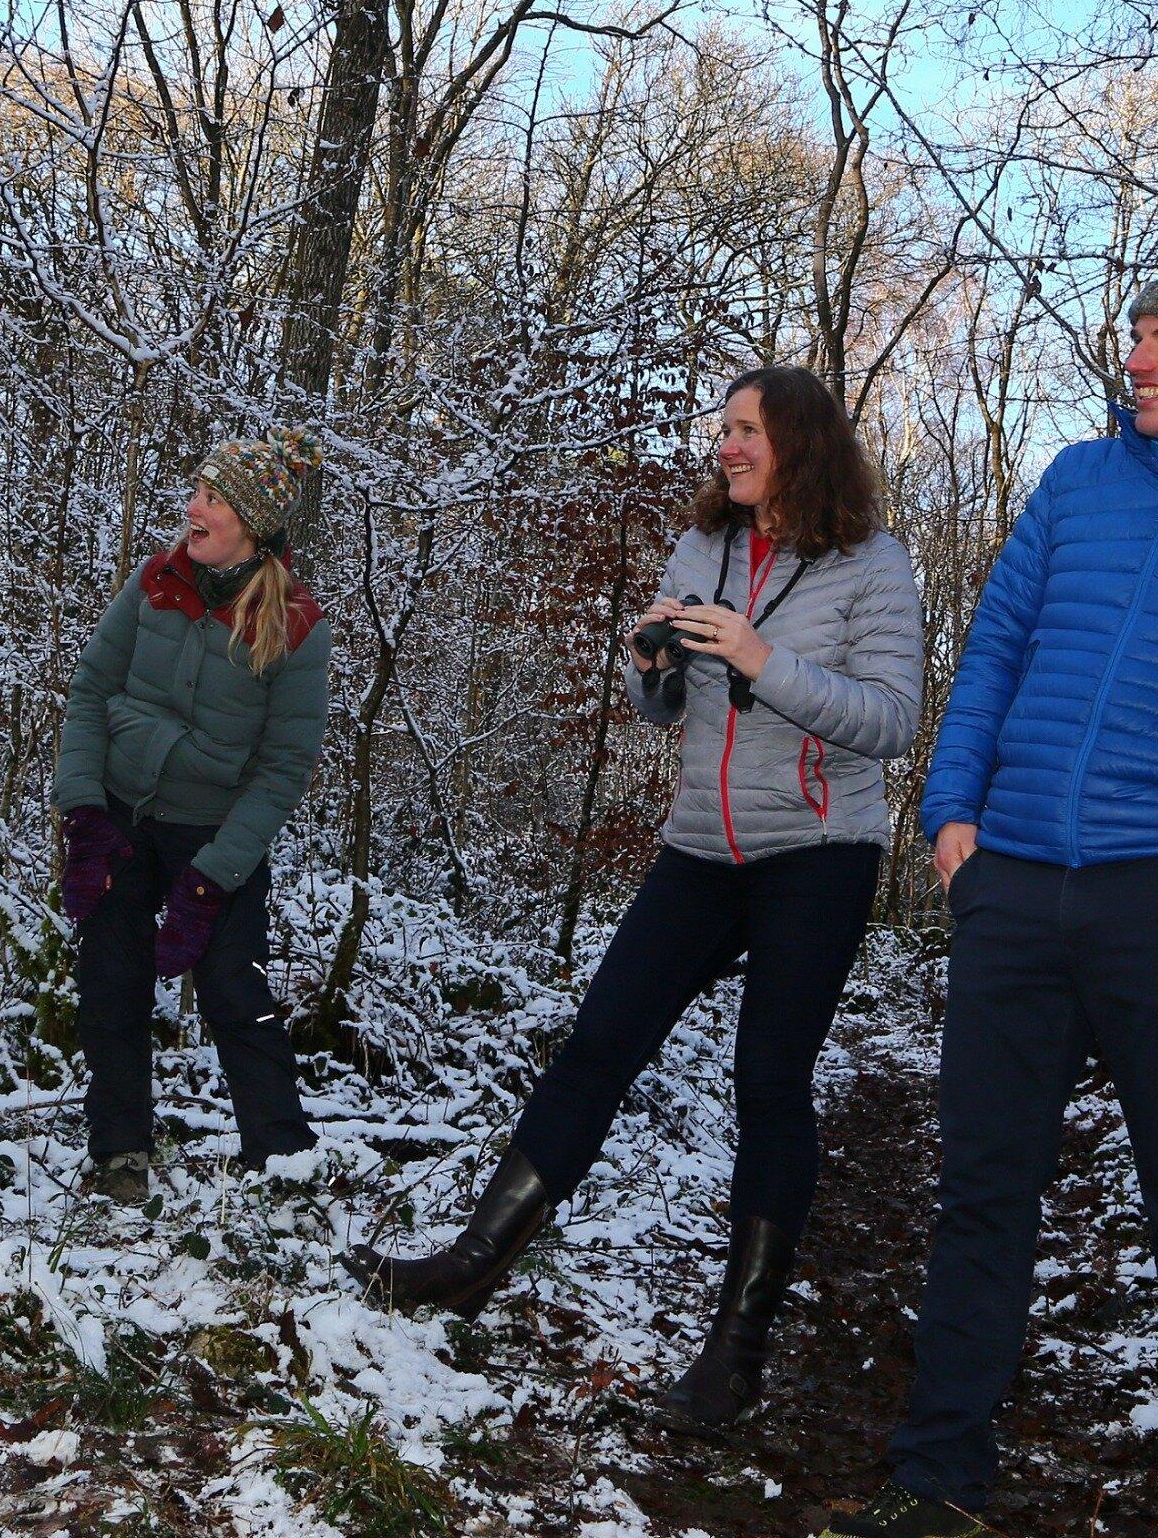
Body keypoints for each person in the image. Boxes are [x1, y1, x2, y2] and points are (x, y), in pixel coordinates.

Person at [823, 234, 1158, 1538]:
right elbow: (996, 648)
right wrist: (956, 813)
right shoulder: (1078, 479)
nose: (1135, 358)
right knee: (983, 1188)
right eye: (1136, 335)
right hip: (1018, 881)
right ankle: (936, 1483)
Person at [360, 367, 925, 1432]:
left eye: (747, 430)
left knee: (769, 1081)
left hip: (819, 851)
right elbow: (665, 711)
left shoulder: (873, 564)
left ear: (799, 441)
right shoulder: (705, 545)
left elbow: (893, 719)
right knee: (598, 1045)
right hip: (701, 849)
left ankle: (735, 1353)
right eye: (723, 429)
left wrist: (764, 658)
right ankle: (472, 1265)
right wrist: (649, 662)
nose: (727, 447)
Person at [54, 430, 332, 1204]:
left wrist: (214, 879)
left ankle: (284, 1165)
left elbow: (282, 771)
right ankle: (119, 1156)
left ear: (251, 519)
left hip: (215, 834)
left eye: (211, 498)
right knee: (109, 981)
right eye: (197, 492)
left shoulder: (297, 624)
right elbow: (88, 689)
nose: (192, 507)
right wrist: (83, 816)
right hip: (120, 817)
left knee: (234, 992)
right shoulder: (153, 581)